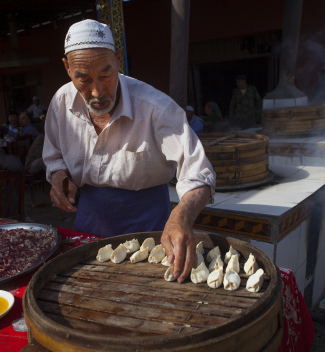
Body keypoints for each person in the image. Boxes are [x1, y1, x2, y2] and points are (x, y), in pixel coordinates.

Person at [43, 19, 215, 283]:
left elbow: (199, 173)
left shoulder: (155, 108)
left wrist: (183, 215)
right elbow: (53, 156)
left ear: (118, 59)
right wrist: (58, 176)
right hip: (88, 222)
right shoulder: (60, 103)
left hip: (150, 226)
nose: (97, 91)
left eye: (105, 74)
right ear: (67, 68)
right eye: (84, 78)